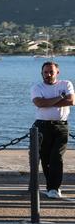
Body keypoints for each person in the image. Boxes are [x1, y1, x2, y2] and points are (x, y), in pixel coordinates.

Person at [30, 61, 73, 199]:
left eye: (51, 72)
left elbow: (71, 101)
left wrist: (49, 102)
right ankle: (50, 187)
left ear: (57, 73)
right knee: (46, 158)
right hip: (42, 126)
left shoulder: (66, 84)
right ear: (41, 73)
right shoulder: (37, 87)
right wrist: (61, 97)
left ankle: (54, 188)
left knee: (57, 157)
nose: (48, 75)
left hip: (61, 126)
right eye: (45, 72)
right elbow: (39, 103)